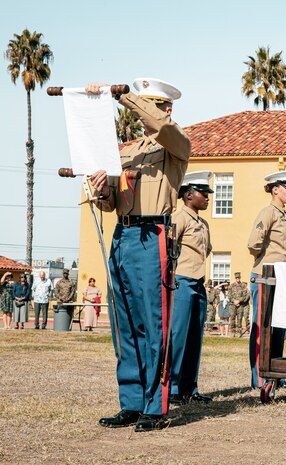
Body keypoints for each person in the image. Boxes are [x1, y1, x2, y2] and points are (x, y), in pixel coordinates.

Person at [87, 78, 191, 432]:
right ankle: (131, 402)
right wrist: (102, 190)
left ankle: (155, 405)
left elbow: (160, 127)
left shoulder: (175, 144)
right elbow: (110, 202)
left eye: (152, 104)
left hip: (154, 235)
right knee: (125, 325)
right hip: (124, 234)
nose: (145, 111)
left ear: (166, 108)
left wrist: (124, 97)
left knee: (154, 324)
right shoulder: (126, 152)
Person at [247, 170, 286, 389]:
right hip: (265, 275)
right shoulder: (268, 212)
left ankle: (276, 373)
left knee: (279, 328)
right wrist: (266, 258)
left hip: (282, 276)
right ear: (275, 189)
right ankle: (259, 376)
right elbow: (253, 243)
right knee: (262, 326)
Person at [170, 171, 214, 405]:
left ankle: (190, 387)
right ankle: (174, 388)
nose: (207, 197)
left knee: (195, 338)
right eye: (203, 193)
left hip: (198, 283)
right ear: (188, 195)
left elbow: (205, 251)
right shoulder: (179, 217)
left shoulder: (202, 222)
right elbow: (168, 249)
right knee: (179, 337)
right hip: (182, 281)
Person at [228, 272, 250, 337]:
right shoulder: (231, 286)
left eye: (239, 277)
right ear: (235, 278)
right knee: (232, 318)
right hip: (232, 305)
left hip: (240, 305)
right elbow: (229, 295)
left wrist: (239, 301)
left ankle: (238, 332)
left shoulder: (243, 286)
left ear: (240, 278)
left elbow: (245, 295)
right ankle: (232, 332)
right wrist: (234, 301)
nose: (238, 279)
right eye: (236, 278)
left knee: (239, 319)